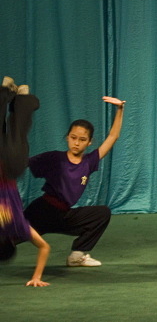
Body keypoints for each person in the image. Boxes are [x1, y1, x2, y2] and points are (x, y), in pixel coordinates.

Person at [24, 91, 125, 267]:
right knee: (7, 239)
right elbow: (23, 163)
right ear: (67, 137)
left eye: (82, 139)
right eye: (73, 138)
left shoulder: (89, 162)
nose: (76, 142)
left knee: (102, 213)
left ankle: (76, 256)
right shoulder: (55, 158)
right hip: (41, 212)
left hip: (64, 215)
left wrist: (120, 109)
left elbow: (113, 137)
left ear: (89, 142)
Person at [0, 78, 50, 287]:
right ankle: (6, 90)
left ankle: (22, 97)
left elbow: (44, 247)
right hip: (6, 167)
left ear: (12, 242)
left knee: (18, 131)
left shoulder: (19, 229)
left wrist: (37, 276)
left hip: (13, 167)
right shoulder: (16, 228)